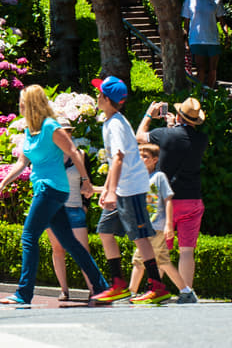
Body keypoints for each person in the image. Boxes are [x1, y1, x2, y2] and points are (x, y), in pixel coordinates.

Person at [0, 85, 107, 306]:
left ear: (31, 104)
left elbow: (73, 152)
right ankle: (101, 287)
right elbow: (22, 162)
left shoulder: (50, 126)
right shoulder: (31, 131)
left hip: (51, 188)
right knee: (69, 242)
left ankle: (23, 293)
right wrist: (3, 182)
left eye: (22, 102)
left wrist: (85, 181)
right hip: (45, 188)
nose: (19, 106)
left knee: (29, 236)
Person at [90, 76, 172, 305]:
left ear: (106, 99)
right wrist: (108, 189)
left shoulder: (116, 124)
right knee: (105, 231)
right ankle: (118, 285)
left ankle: (156, 286)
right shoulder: (110, 122)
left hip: (131, 188)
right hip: (122, 187)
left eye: (99, 93)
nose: (97, 97)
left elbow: (118, 157)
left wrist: (111, 191)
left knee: (140, 237)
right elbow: (113, 160)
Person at [136, 96, 208, 303]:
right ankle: (186, 293)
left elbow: (139, 137)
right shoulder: (201, 139)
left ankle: (156, 290)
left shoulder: (164, 135)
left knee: (160, 249)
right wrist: (173, 126)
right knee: (187, 251)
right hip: (192, 199)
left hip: (165, 200)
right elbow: (181, 141)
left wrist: (149, 115)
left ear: (178, 115)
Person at [128, 143, 186, 295]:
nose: (141, 159)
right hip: (143, 226)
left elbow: (168, 200)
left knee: (139, 259)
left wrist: (168, 224)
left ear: (155, 160)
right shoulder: (137, 179)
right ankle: (186, 291)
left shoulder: (159, 177)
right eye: (139, 156)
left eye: (145, 156)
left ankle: (131, 292)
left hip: (155, 226)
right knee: (163, 262)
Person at [46, 142, 95, 300]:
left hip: (74, 208)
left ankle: (94, 289)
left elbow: (88, 182)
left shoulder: (80, 155)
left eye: (68, 131)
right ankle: (64, 290)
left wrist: (85, 206)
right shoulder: (47, 154)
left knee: (83, 251)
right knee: (58, 249)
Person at [181, 0, 229, 88]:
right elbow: (186, 24)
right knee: (200, 68)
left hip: (213, 40)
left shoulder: (215, 0)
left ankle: (210, 93)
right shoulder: (189, 0)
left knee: (213, 69)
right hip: (196, 40)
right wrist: (185, 41)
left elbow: (222, 21)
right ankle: (200, 93)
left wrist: (227, 35)